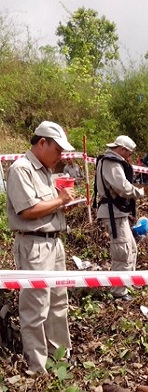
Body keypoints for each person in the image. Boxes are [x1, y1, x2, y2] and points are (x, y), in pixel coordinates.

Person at [6, 121, 76, 375]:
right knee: (36, 307)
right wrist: (59, 200)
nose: (60, 156)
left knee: (58, 302)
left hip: (53, 242)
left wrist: (62, 204)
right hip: (33, 244)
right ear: (42, 143)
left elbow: (46, 206)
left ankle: (59, 359)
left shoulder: (45, 171)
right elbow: (27, 211)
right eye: (58, 150)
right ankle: (38, 367)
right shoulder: (21, 169)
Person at [95, 135, 144, 301]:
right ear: (122, 149)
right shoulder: (111, 162)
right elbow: (122, 187)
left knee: (131, 247)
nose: (129, 157)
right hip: (113, 212)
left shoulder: (111, 161)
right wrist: (140, 192)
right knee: (122, 251)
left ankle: (128, 282)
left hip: (117, 212)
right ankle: (119, 291)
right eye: (128, 153)